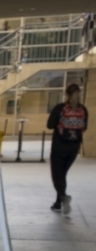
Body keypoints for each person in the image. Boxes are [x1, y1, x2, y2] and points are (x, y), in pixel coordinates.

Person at [46, 83, 88, 215]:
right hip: (74, 147)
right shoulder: (83, 109)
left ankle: (64, 197)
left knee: (56, 176)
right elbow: (84, 128)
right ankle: (58, 203)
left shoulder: (60, 108)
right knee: (62, 175)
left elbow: (50, 125)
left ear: (66, 94)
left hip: (59, 146)